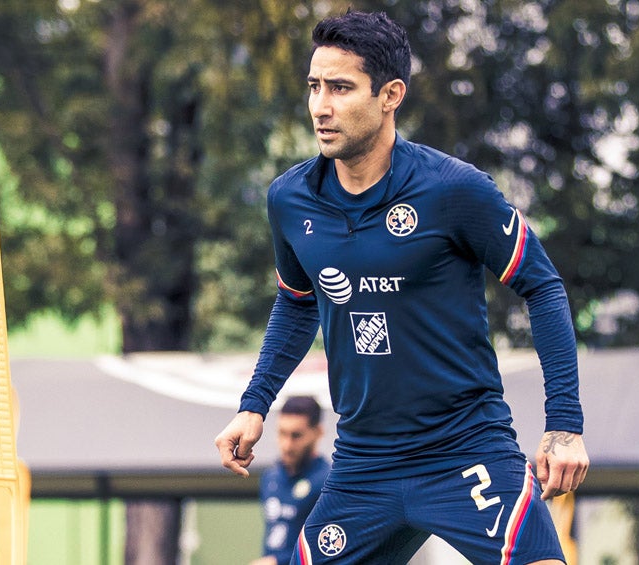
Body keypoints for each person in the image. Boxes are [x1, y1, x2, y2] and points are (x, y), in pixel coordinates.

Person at [215, 10, 589, 564]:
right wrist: (254, 405)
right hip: (364, 464)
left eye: (341, 88)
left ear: (391, 94)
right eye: (315, 86)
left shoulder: (455, 190)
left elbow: (543, 284)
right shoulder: (289, 200)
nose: (321, 106)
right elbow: (297, 304)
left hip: (467, 450)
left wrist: (564, 424)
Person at [249, 396, 330, 565]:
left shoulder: (328, 482)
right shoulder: (271, 477)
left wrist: (277, 561)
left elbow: (328, 547)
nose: (287, 445)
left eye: (296, 436)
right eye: (282, 433)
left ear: (318, 433)